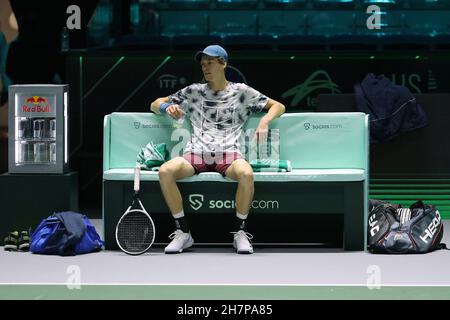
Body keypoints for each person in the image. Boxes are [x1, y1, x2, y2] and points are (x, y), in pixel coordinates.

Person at [150, 45, 285, 254]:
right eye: (203, 64)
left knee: (246, 174)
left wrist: (264, 121)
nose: (205, 68)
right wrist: (167, 107)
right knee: (165, 171)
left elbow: (278, 106)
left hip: (229, 154)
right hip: (196, 153)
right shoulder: (193, 91)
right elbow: (155, 103)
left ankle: (239, 232)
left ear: (223, 64)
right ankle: (183, 232)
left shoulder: (241, 92)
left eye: (210, 63)